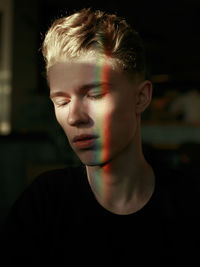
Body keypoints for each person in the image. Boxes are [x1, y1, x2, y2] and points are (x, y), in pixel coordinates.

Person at [2, 8, 199, 266]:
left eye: (94, 95)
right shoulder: (42, 207)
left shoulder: (190, 206)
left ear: (141, 97)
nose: (74, 117)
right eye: (61, 101)